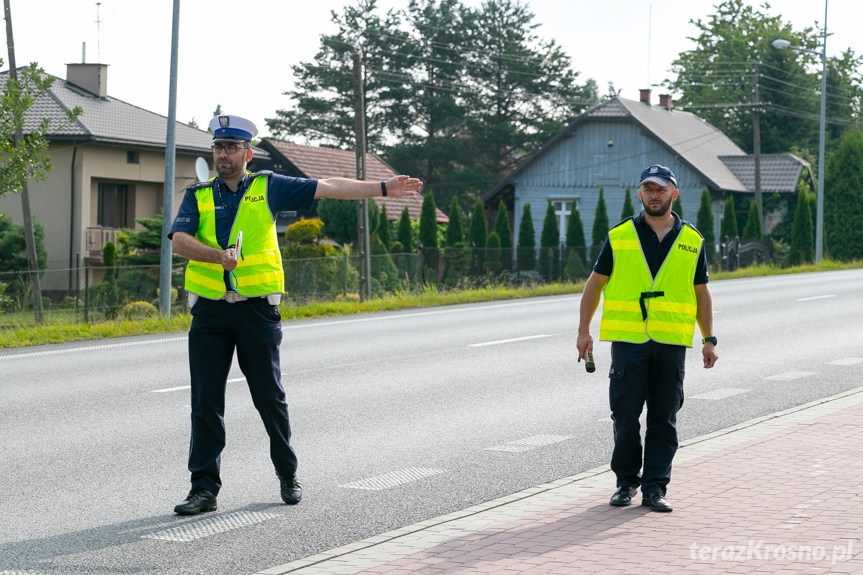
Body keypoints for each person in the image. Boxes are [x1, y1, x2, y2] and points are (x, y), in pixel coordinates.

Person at [168, 115, 422, 515]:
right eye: (218, 147)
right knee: (205, 403)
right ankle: (203, 489)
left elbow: (331, 186)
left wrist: (384, 187)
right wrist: (219, 257)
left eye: (232, 148)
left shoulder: (269, 186)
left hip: (256, 312)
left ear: (247, 154)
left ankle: (287, 474)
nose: (224, 154)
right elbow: (180, 241)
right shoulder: (197, 195)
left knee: (269, 398)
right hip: (210, 315)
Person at [576, 164, 718, 513]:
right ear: (640, 194)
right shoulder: (620, 235)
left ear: (674, 193)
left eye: (661, 189)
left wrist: (709, 338)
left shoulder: (692, 241)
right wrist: (583, 331)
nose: (655, 195)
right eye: (648, 189)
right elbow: (594, 285)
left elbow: (701, 293)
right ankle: (626, 482)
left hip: (670, 342)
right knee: (625, 416)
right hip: (628, 341)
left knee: (663, 419)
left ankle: (655, 488)